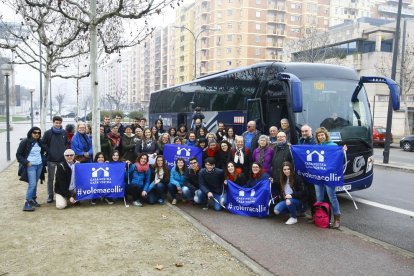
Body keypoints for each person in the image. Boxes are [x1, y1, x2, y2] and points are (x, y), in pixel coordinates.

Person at [314, 127, 345, 229]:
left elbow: (339, 159)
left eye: (322, 135)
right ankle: (322, 217)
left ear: (325, 135)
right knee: (319, 197)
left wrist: (343, 151)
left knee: (332, 197)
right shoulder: (316, 146)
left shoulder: (333, 145)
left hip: (329, 176)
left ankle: (337, 219)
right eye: (319, 136)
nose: (320, 137)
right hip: (318, 175)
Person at [16, 127, 47, 211]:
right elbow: (18, 155)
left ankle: (32, 199)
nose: (37, 134)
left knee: (35, 183)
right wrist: (26, 163)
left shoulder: (40, 142)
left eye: (38, 133)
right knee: (32, 184)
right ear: (31, 133)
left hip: (39, 165)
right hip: (30, 166)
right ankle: (26, 203)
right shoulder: (25, 142)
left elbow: (45, 150)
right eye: (34, 132)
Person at [42, 115, 69, 203]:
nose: (58, 124)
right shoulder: (47, 133)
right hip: (51, 160)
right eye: (56, 123)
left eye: (59, 123)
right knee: (51, 179)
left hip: (62, 160)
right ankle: (50, 196)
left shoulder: (64, 132)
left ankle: (61, 194)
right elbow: (44, 144)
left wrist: (63, 152)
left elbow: (66, 144)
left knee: (61, 178)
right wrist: (50, 152)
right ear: (53, 123)